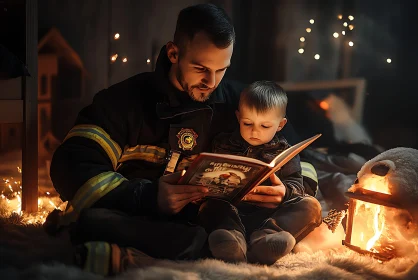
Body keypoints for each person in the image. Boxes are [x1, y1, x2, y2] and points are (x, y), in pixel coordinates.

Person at [45, 3, 320, 276]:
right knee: (94, 220)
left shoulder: (241, 104)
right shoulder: (123, 103)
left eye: (221, 69)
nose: (211, 82)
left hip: (219, 221)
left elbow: (301, 158)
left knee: (301, 210)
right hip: (144, 216)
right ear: (173, 53)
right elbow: (70, 166)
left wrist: (284, 191)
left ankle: (129, 255)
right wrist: (148, 197)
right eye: (200, 68)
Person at [200, 81, 321, 265]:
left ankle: (266, 239)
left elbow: (297, 184)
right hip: (231, 210)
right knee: (208, 207)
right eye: (247, 123)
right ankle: (233, 241)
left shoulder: (285, 151)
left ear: (280, 125)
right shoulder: (222, 143)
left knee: (310, 206)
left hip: (268, 214)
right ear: (238, 117)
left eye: (265, 126)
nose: (254, 131)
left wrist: (284, 193)